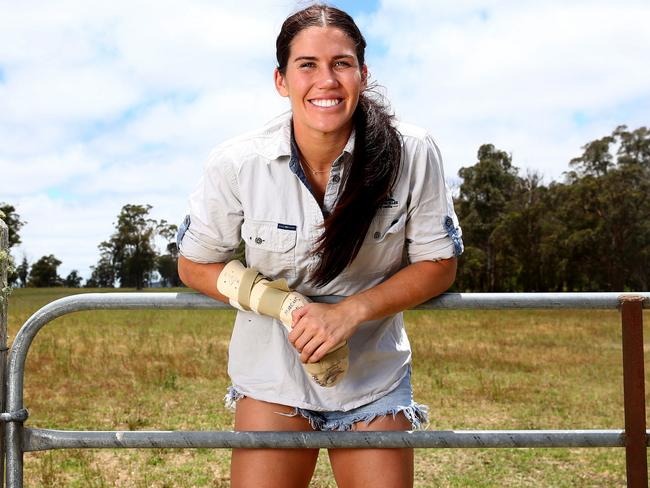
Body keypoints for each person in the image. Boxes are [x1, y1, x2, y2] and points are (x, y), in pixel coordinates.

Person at [177, 4, 463, 487]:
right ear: (281, 80)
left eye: (342, 63)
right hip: (271, 379)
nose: (325, 80)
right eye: (306, 65)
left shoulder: (413, 153)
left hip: (374, 378)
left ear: (363, 74)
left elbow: (438, 264)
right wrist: (286, 305)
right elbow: (194, 264)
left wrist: (348, 313)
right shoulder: (237, 163)